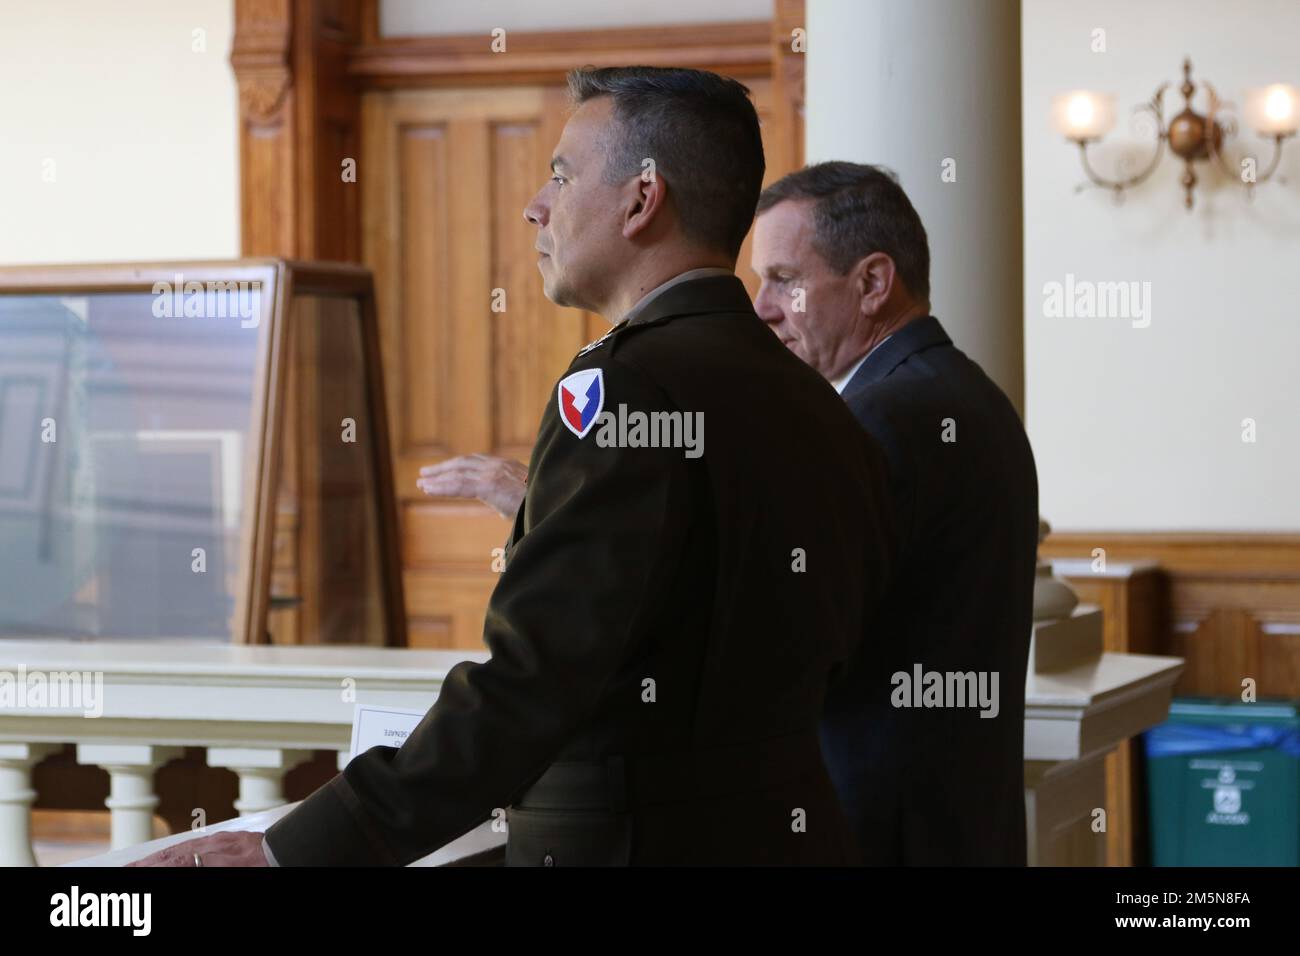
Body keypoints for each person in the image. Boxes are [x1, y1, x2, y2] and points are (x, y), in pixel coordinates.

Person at [133, 68, 893, 867]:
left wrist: (295, 851)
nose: (536, 204)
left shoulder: (621, 387)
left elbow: (530, 685)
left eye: (561, 176)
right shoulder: (819, 402)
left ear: (642, 200)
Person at [749, 161, 1039, 865]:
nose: (762, 306)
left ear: (873, 282)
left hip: (876, 828)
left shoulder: (883, 416)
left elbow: (794, 640)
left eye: (786, 279)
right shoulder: (960, 392)